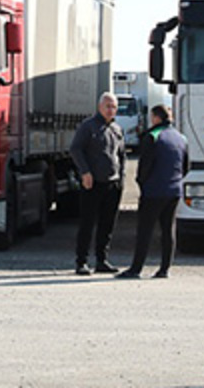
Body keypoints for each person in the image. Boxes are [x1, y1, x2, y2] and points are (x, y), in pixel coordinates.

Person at [116, 104, 189, 279]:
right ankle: (164, 269)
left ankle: (136, 269)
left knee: (145, 231)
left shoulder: (153, 136)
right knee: (168, 229)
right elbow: (186, 166)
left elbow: (144, 167)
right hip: (174, 191)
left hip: (154, 191)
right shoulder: (181, 138)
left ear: (156, 117)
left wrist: (142, 183)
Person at [70, 92, 126, 275]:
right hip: (93, 183)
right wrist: (85, 172)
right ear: (99, 107)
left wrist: (122, 178)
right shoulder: (88, 126)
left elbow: (122, 155)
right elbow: (76, 149)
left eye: (114, 107)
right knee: (87, 223)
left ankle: (102, 260)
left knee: (107, 224)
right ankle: (82, 261)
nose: (111, 110)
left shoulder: (117, 129)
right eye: (108, 106)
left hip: (112, 183)